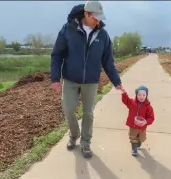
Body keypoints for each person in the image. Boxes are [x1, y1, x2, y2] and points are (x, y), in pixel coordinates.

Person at [51, 1, 124, 158]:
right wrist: (55, 77)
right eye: (95, 18)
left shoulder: (103, 35)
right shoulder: (68, 29)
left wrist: (116, 81)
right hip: (70, 79)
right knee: (69, 110)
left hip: (91, 81)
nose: (98, 21)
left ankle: (85, 143)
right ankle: (74, 134)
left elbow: (108, 61)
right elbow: (57, 54)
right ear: (86, 14)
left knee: (88, 114)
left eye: (100, 18)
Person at [121, 86, 155, 156]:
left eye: (143, 95)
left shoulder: (148, 106)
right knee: (133, 137)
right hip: (133, 125)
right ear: (136, 95)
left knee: (142, 138)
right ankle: (134, 148)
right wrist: (124, 92)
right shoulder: (132, 102)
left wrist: (145, 121)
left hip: (142, 126)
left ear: (146, 95)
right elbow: (125, 100)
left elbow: (151, 118)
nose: (141, 96)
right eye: (139, 94)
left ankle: (139, 142)